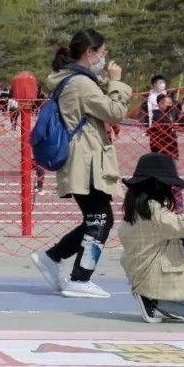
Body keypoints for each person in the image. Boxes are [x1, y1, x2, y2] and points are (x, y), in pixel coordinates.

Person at [31, 29, 132, 299]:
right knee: (101, 218)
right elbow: (115, 112)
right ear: (89, 52)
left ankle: (52, 258)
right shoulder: (80, 83)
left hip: (84, 158)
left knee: (96, 218)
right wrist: (117, 82)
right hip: (85, 160)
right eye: (102, 52)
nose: (104, 57)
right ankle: (79, 278)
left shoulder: (75, 80)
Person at [118, 153, 184, 324]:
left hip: (142, 272)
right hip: (154, 276)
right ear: (158, 185)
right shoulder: (153, 208)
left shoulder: (136, 208)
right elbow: (183, 226)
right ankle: (154, 301)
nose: (172, 190)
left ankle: (156, 301)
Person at [148, 93, 181, 160]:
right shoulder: (156, 114)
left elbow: (181, 120)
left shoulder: (172, 112)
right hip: (159, 146)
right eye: (165, 102)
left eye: (170, 102)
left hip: (172, 146)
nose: (169, 104)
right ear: (159, 103)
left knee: (172, 166)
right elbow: (163, 122)